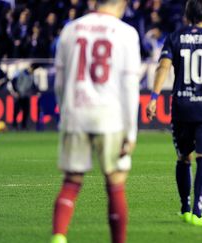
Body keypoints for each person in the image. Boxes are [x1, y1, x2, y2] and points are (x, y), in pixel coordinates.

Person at [50, 0, 141, 242]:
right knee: (115, 181)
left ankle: (58, 236)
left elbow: (58, 82)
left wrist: (65, 111)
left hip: (75, 112)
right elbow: (130, 86)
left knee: (71, 181)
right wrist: (131, 132)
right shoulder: (126, 33)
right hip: (110, 116)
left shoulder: (70, 30)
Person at [146, 0, 202, 226]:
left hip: (181, 106)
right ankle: (198, 211)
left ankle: (185, 208)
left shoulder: (175, 37)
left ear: (186, 15)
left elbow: (163, 68)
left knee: (183, 157)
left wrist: (154, 98)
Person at [7, 64, 39, 130]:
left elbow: (33, 85)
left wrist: (37, 92)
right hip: (19, 95)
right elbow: (13, 81)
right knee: (16, 110)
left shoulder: (31, 76)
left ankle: (23, 126)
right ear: (30, 68)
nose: (32, 71)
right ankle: (14, 125)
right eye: (32, 69)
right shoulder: (20, 73)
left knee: (26, 111)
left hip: (26, 95)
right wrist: (16, 91)